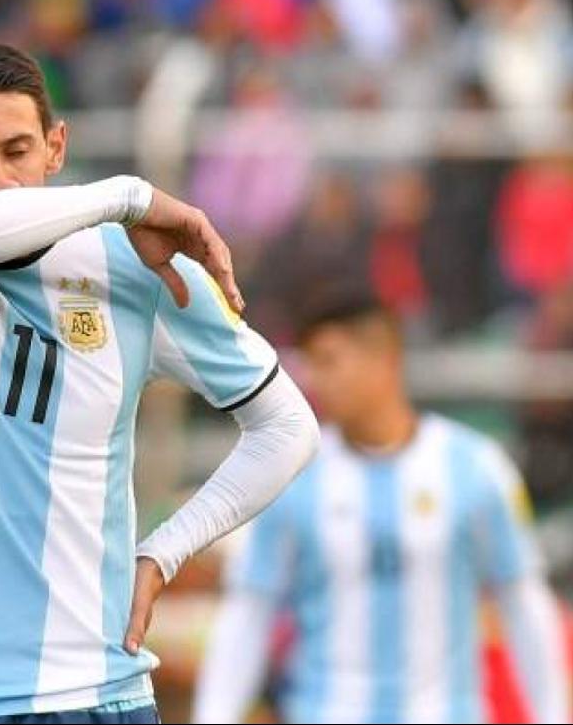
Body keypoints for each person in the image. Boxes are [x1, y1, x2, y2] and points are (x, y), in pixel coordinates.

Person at [0, 40, 319, 723]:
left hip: (98, 694)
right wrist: (129, 195)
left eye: (17, 151)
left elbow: (287, 427)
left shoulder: (132, 266)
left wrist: (164, 552)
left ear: (55, 148)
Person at [192, 292, 571, 724]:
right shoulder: (293, 478)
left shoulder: (477, 469)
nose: (317, 380)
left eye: (330, 361)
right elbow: (249, 612)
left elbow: (522, 603)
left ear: (385, 360)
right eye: (312, 364)